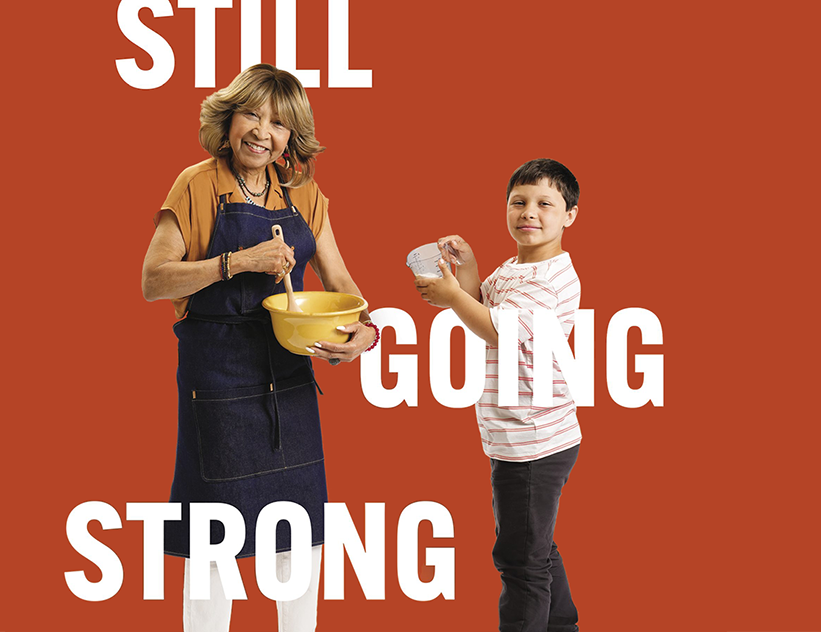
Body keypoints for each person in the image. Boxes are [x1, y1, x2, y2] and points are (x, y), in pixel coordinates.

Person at [141, 64, 378, 632]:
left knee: (299, 533)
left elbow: (342, 284)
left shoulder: (303, 193)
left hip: (289, 381)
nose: (262, 132)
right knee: (213, 536)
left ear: (291, 136)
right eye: (252, 114)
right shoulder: (197, 184)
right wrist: (239, 262)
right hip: (217, 379)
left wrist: (366, 334)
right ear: (229, 120)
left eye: (278, 123)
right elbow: (153, 280)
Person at [414, 158, 584, 632]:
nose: (529, 212)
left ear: (569, 215)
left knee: (520, 558)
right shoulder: (516, 268)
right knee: (534, 545)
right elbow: (484, 305)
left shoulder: (548, 280)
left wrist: (451, 297)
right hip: (521, 435)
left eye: (545, 204)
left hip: (532, 440)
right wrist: (467, 270)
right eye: (518, 202)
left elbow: (498, 331)